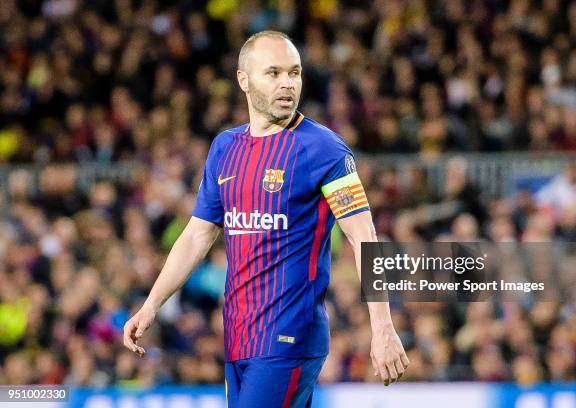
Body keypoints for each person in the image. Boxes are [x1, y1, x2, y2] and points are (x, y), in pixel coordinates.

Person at [123, 31, 409, 407]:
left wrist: (383, 326)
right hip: (239, 338)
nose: (287, 83)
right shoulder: (224, 148)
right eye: (273, 73)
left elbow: (364, 238)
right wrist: (151, 304)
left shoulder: (324, 149)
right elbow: (197, 235)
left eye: (295, 73)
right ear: (243, 79)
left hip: (289, 337)